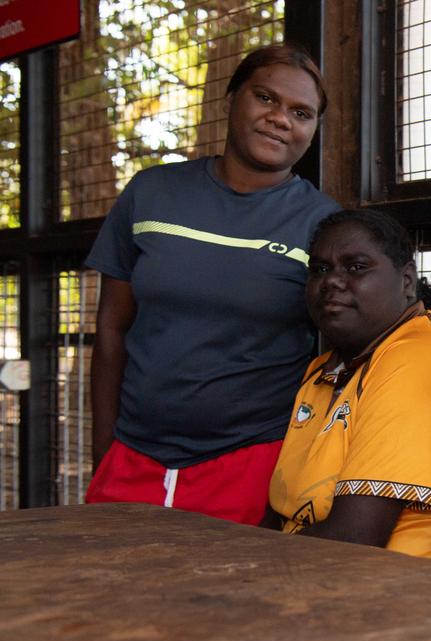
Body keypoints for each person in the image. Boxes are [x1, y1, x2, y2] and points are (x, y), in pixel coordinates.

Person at [85, 44, 340, 524]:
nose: (280, 118)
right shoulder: (151, 193)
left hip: (252, 463)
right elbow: (111, 329)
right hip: (132, 456)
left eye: (301, 112)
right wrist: (105, 448)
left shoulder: (325, 225)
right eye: (265, 98)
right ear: (230, 99)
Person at [262, 209, 431, 557]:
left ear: (406, 281)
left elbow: (355, 536)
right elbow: (278, 514)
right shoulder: (322, 370)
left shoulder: (418, 357)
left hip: (389, 589)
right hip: (307, 569)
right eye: (320, 269)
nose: (332, 281)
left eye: (356, 267)